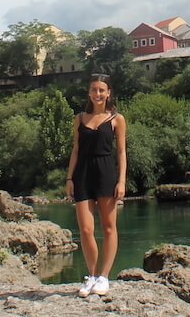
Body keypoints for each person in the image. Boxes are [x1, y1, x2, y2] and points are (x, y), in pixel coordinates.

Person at [66, 74, 127, 298]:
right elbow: (75, 149)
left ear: (108, 92)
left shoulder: (116, 119)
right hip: (82, 174)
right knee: (85, 229)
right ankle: (91, 276)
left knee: (109, 227)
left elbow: (121, 152)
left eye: (102, 90)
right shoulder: (79, 118)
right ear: (89, 93)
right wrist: (69, 178)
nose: (98, 94)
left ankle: (104, 276)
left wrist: (121, 180)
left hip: (106, 173)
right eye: (94, 90)